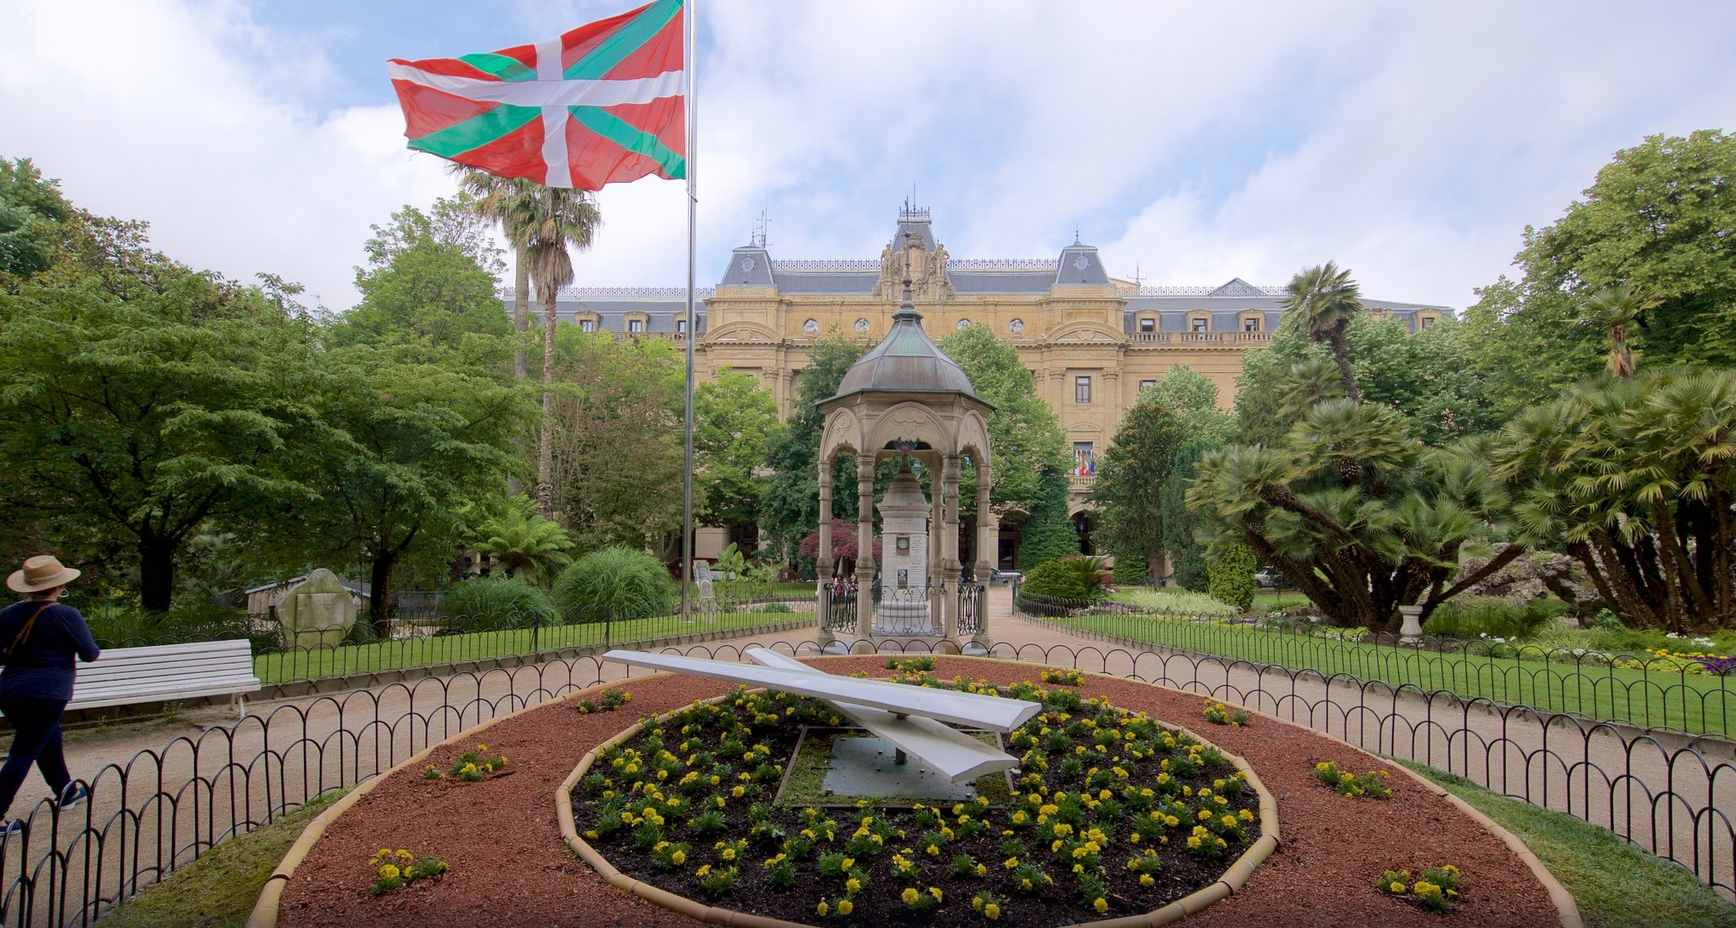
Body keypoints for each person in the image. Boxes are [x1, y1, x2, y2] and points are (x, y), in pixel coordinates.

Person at [0, 556, 100, 834]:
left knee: (47, 738)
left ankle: (66, 792)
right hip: (47, 692)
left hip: (10, 690)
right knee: (24, 750)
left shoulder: (8, 614)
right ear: (60, 585)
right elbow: (90, 653)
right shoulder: (65, 614)